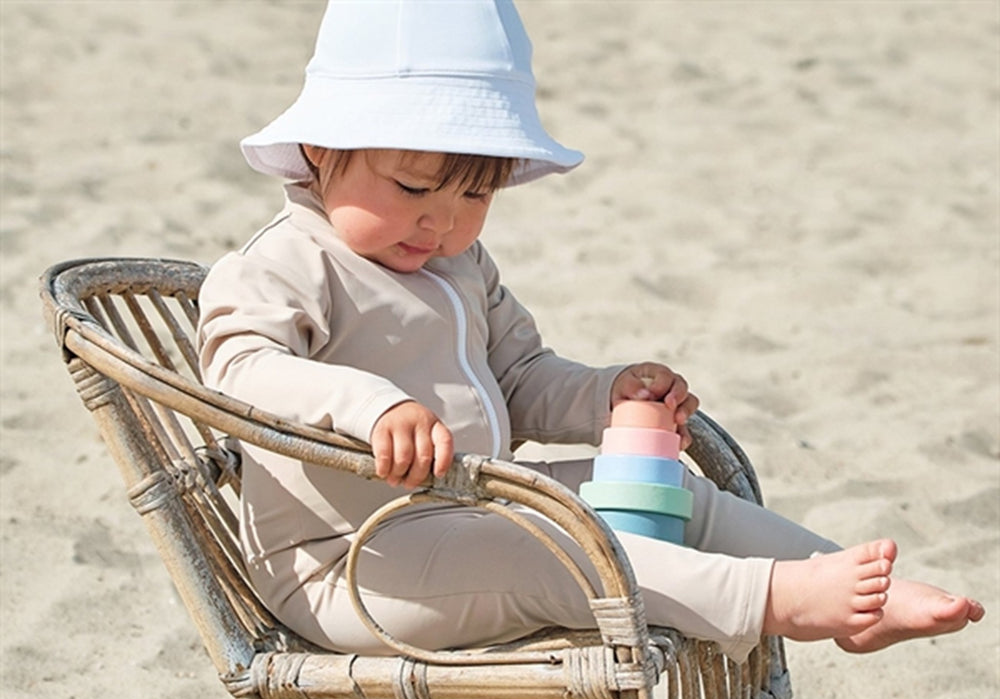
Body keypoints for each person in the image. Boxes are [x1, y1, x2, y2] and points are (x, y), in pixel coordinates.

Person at [197, 0, 983, 663]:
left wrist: (606, 395)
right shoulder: (290, 261)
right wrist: (369, 405)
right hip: (351, 567)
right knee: (562, 551)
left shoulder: (458, 264)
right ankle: (776, 599)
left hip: (471, 511)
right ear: (322, 147)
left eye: (474, 197)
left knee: (665, 493)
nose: (441, 223)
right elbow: (237, 366)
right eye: (412, 188)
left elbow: (519, 379)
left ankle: (843, 583)